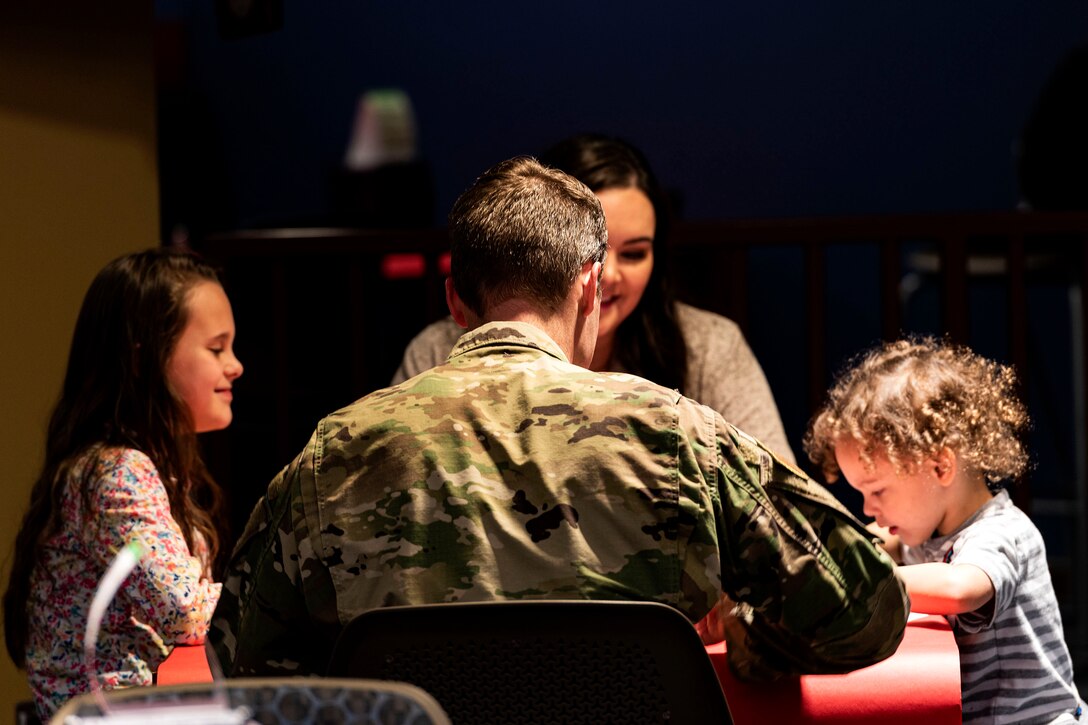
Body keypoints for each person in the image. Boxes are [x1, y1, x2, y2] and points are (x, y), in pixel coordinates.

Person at [211, 156, 907, 681]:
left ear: (456, 300)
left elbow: (237, 658)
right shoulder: (678, 434)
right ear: (591, 285)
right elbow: (867, 608)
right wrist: (751, 645)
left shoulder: (338, 449)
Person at [391, 133, 795, 462]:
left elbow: (774, 490)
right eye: (594, 256)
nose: (608, 277)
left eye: (635, 253)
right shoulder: (439, 352)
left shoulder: (707, 345)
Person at [2, 248, 244, 719]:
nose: (235, 365)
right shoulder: (116, 472)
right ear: (143, 360)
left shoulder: (140, 464)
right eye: (216, 348)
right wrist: (267, 592)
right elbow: (186, 611)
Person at [805, 337, 1084, 724]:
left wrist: (857, 578)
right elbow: (878, 540)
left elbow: (960, 589)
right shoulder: (926, 531)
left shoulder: (1001, 533)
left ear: (940, 468)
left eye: (878, 490)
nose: (869, 507)